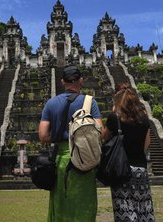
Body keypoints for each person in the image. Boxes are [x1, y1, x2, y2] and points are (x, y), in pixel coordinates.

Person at [38, 65, 103, 222]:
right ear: (81, 81)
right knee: (84, 204)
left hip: (61, 160)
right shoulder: (89, 102)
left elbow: (43, 135)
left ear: (62, 82)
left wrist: (62, 137)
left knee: (61, 203)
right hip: (85, 159)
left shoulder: (51, 103)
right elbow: (99, 130)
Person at [103, 83, 156, 222]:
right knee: (144, 208)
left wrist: (114, 110)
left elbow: (104, 136)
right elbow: (147, 143)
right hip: (141, 169)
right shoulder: (144, 119)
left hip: (121, 170)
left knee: (125, 210)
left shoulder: (114, 117)